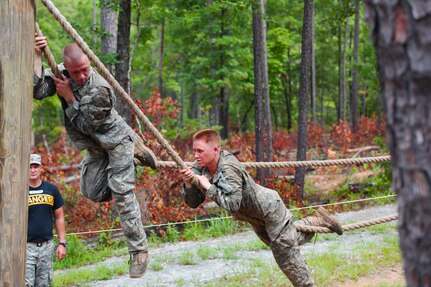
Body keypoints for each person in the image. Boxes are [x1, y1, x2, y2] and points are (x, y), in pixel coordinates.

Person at [33, 34, 155, 278]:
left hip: (115, 140)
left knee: (122, 193)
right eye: (76, 72)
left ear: (89, 62)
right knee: (92, 191)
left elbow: (87, 125)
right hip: (95, 149)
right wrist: (37, 55)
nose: (81, 76)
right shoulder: (62, 74)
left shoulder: (100, 88)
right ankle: (131, 157)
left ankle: (139, 252)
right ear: (66, 68)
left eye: (84, 69)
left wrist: (69, 97)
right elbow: (38, 91)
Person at [179, 129, 344, 287]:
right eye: (194, 151)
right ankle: (317, 220)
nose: (195, 155)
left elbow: (232, 204)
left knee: (285, 256)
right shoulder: (201, 166)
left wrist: (208, 186)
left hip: (269, 209)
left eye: (200, 151)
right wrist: (188, 183)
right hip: (253, 215)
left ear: (215, 149)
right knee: (286, 241)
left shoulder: (229, 169)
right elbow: (194, 203)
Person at [26, 153, 66, 287]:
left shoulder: (51, 189)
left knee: (44, 284)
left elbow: (59, 217)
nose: (32, 170)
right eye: (29, 167)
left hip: (46, 247)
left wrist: (62, 243)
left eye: (35, 166)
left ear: (41, 168)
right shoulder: (20, 191)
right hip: (26, 247)